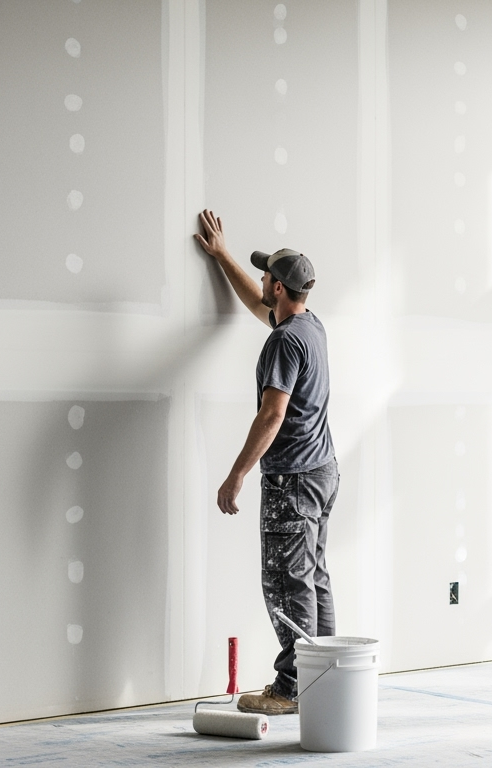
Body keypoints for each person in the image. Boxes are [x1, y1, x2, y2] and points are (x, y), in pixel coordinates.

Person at [193, 209, 338, 716]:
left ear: (279, 286)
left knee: (285, 581)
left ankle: (292, 687)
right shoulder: (309, 326)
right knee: (313, 577)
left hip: (294, 478)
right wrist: (221, 256)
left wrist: (235, 476)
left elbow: (272, 414)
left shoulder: (283, 342)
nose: (261, 282)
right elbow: (258, 305)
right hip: (322, 471)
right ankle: (323, 677)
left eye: (265, 277)